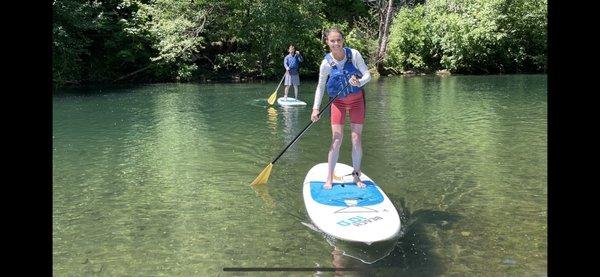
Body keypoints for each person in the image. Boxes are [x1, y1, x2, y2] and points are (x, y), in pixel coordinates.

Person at [310, 27, 371, 190]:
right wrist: (316, 108)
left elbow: (367, 75)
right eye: (332, 41)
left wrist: (360, 82)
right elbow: (320, 86)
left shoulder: (354, 55)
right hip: (338, 103)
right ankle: (329, 178)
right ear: (327, 42)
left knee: (356, 138)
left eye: (338, 40)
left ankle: (356, 175)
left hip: (357, 101)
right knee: (337, 139)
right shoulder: (326, 64)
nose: (336, 43)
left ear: (343, 40)